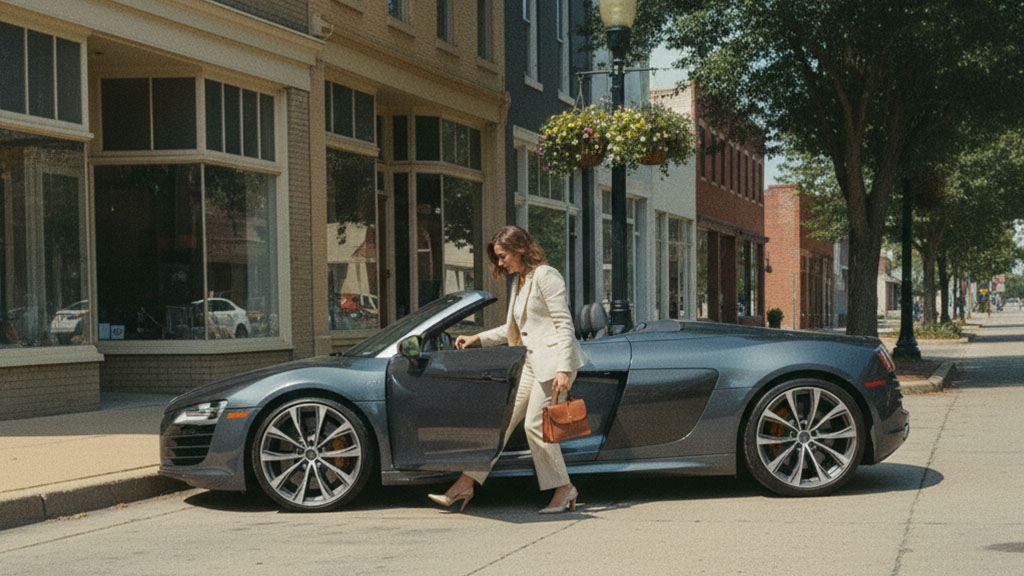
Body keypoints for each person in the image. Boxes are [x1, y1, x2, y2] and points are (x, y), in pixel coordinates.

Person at [427, 225, 589, 514]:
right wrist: (479, 338)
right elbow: (514, 328)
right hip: (531, 362)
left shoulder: (546, 276)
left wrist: (564, 369)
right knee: (502, 422)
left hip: (554, 363)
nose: (500, 263)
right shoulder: (521, 281)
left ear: (519, 249)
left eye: (503, 256)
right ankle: (466, 483)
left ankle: (564, 489)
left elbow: (565, 324)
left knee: (535, 426)